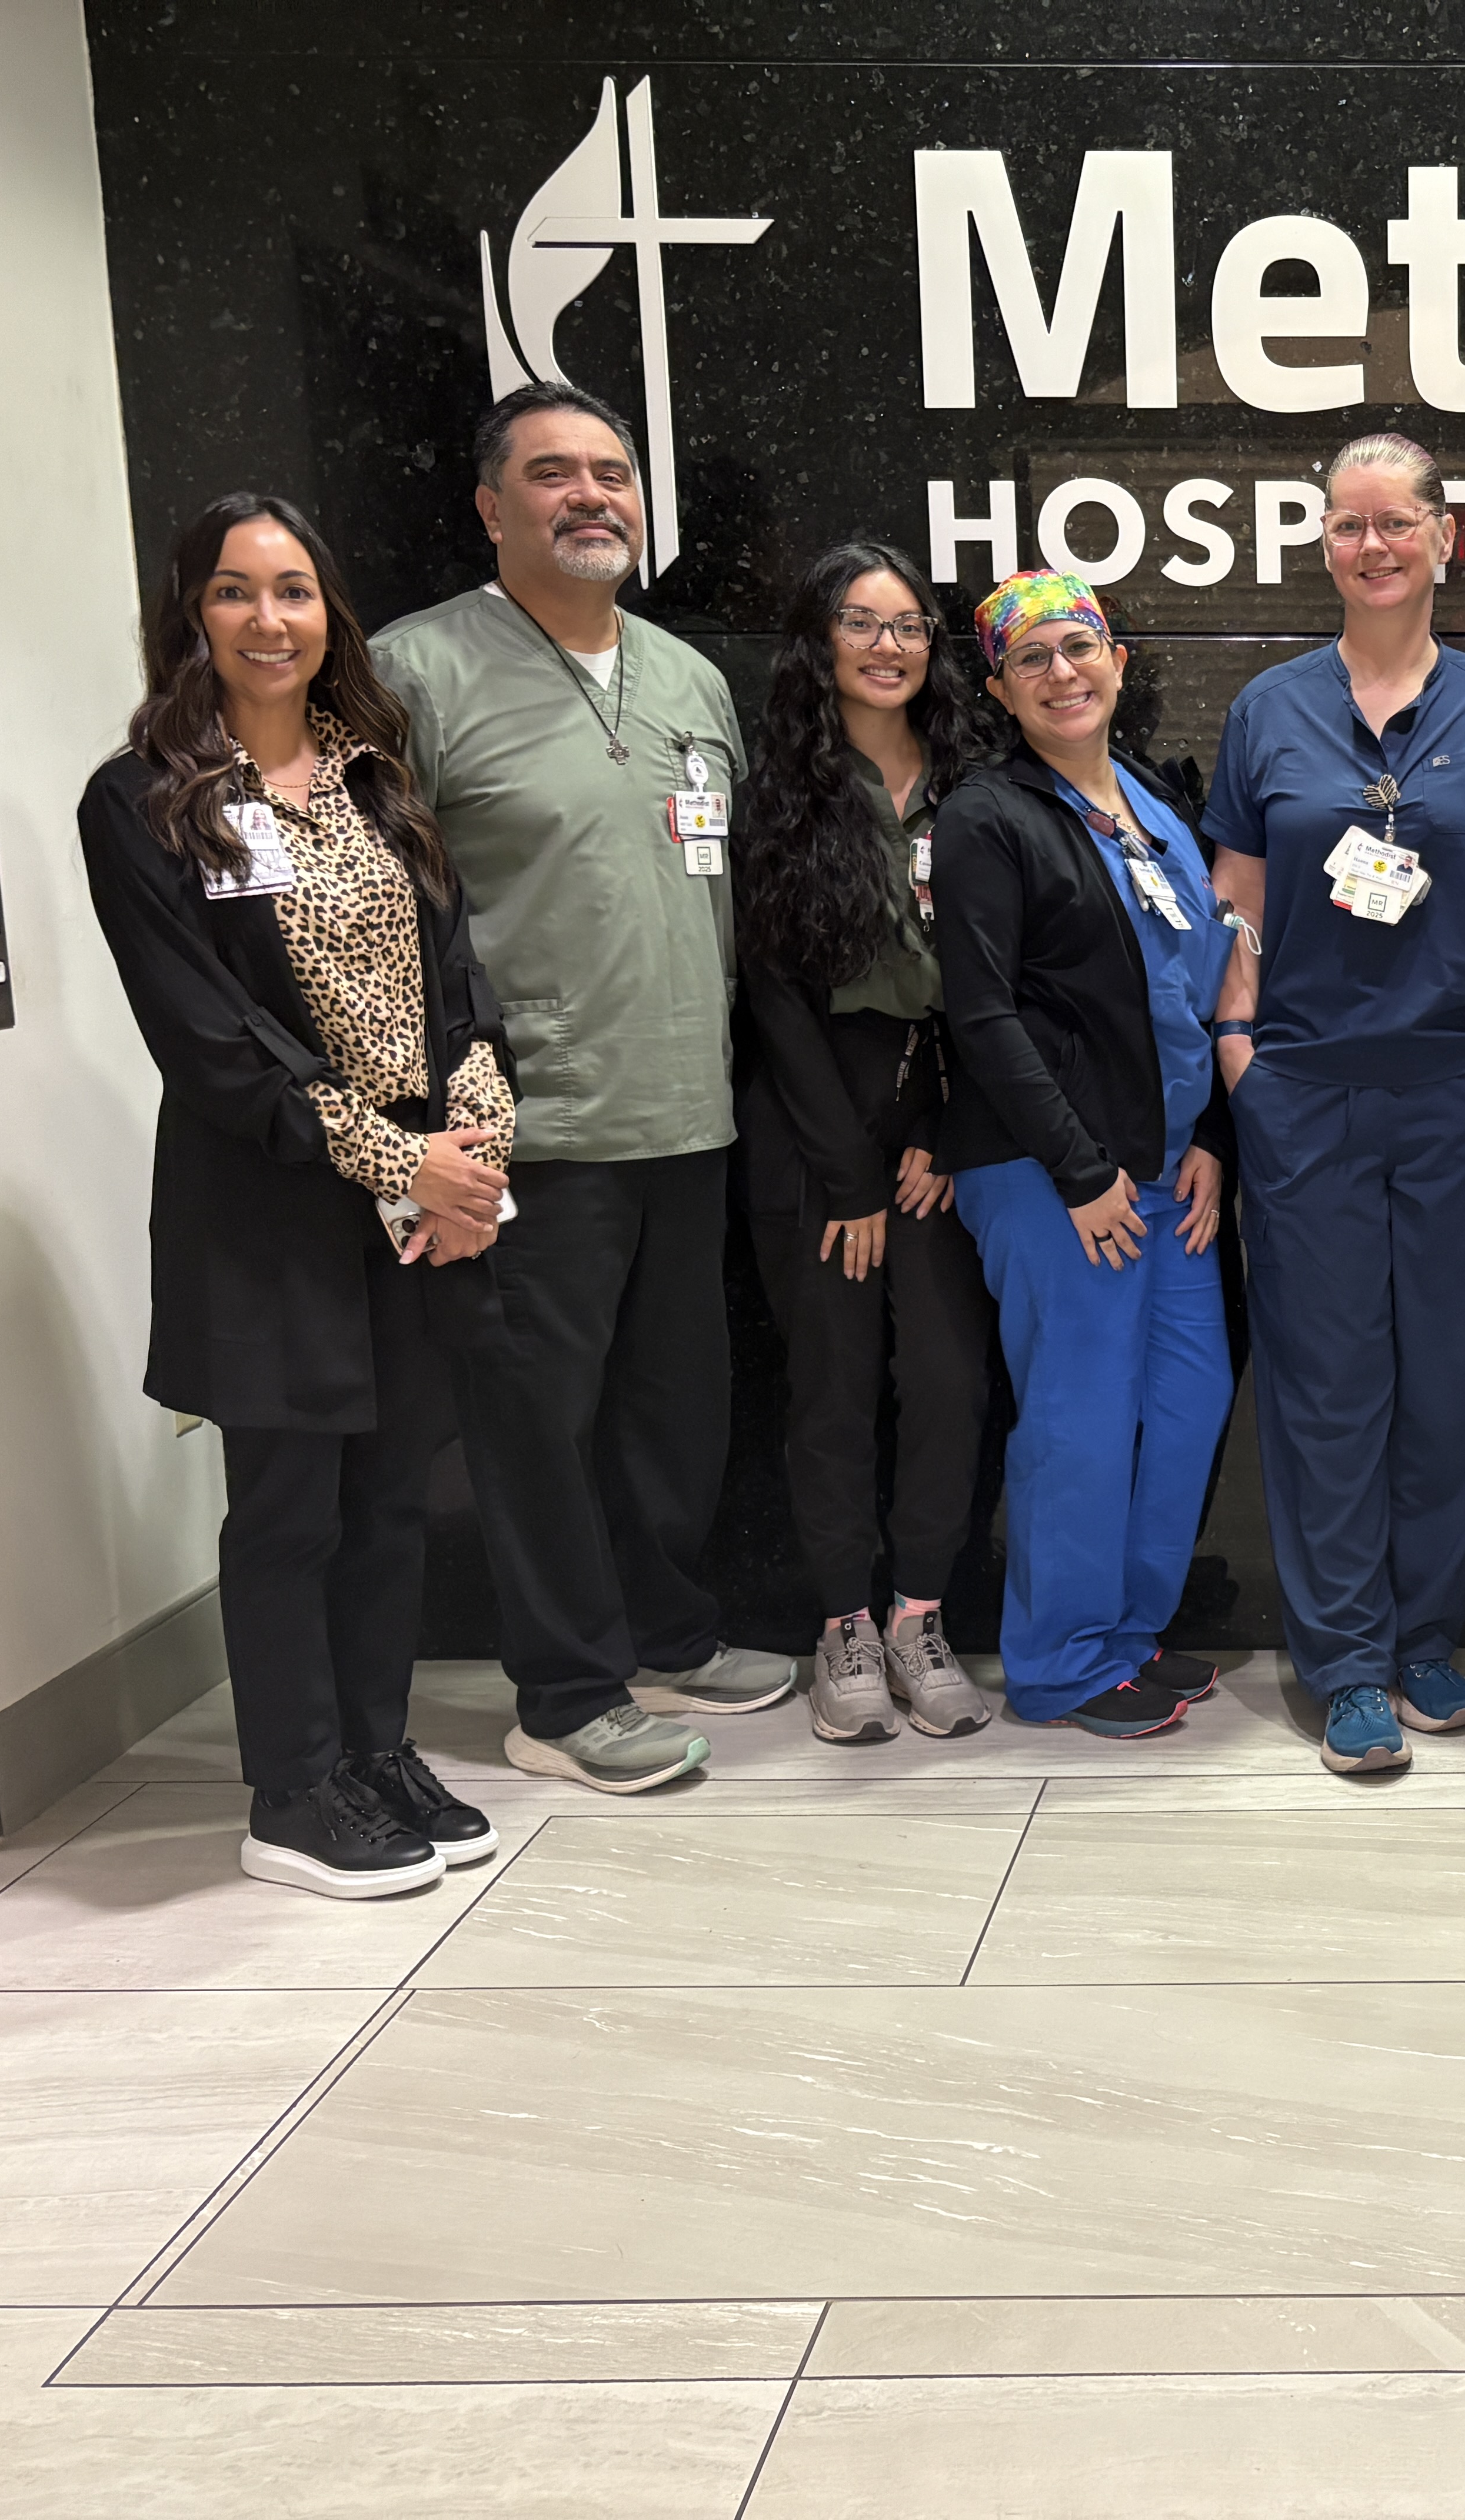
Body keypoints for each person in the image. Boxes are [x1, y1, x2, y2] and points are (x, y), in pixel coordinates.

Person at [79, 492, 510, 1895]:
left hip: (417, 1195)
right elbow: (212, 1044)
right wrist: (406, 1163)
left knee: (392, 1496)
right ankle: (293, 1790)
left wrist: (474, 1139)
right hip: (270, 1200)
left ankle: (374, 1750)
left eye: (296, 592)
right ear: (190, 613)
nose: (270, 620)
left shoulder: (377, 777)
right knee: (289, 1508)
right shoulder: (142, 802)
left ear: (333, 616)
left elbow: (461, 983)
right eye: (235, 592)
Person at [373, 381, 788, 1794]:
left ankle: (668, 1631)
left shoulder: (686, 677)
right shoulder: (412, 674)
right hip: (523, 1131)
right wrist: (425, 1131)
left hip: (685, 1108)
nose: (591, 496)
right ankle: (560, 1696)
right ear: (493, 506)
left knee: (678, 1407)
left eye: (612, 471)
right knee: (534, 1424)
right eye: (554, 474)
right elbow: (381, 921)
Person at [1203, 434, 1465, 1776]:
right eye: (1349, 525)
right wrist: (1240, 1046)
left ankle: (1422, 1642)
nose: (1373, 546)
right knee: (1328, 1387)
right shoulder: (1268, 709)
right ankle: (1344, 1660)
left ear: (1447, 539)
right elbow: (1239, 894)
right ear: (1324, 544)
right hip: (1308, 1091)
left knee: (1457, 1383)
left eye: (1398, 522)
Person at [933, 571, 1237, 1738]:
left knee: (1188, 1399)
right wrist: (1076, 1168)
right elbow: (985, 1013)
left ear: (1116, 661)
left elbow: (1201, 990)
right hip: (1055, 1176)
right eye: (1032, 660)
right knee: (1080, 1419)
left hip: (1167, 1171)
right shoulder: (987, 817)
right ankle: (1060, 1662)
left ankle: (1125, 1635)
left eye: (1080, 647)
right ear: (1002, 691)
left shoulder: (1155, 805)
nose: (1062, 672)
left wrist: (1209, 1135)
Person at [732, 541, 1000, 1745]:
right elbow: (772, 992)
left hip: (938, 1128)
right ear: (820, 641)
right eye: (862, 622)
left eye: (908, 626)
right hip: (813, 1136)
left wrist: (941, 1134)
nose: (888, 646)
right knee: (832, 1393)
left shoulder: (973, 780)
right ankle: (841, 1623)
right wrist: (843, 1169)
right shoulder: (784, 788)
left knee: (947, 1384)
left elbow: (996, 981)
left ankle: (917, 1616)